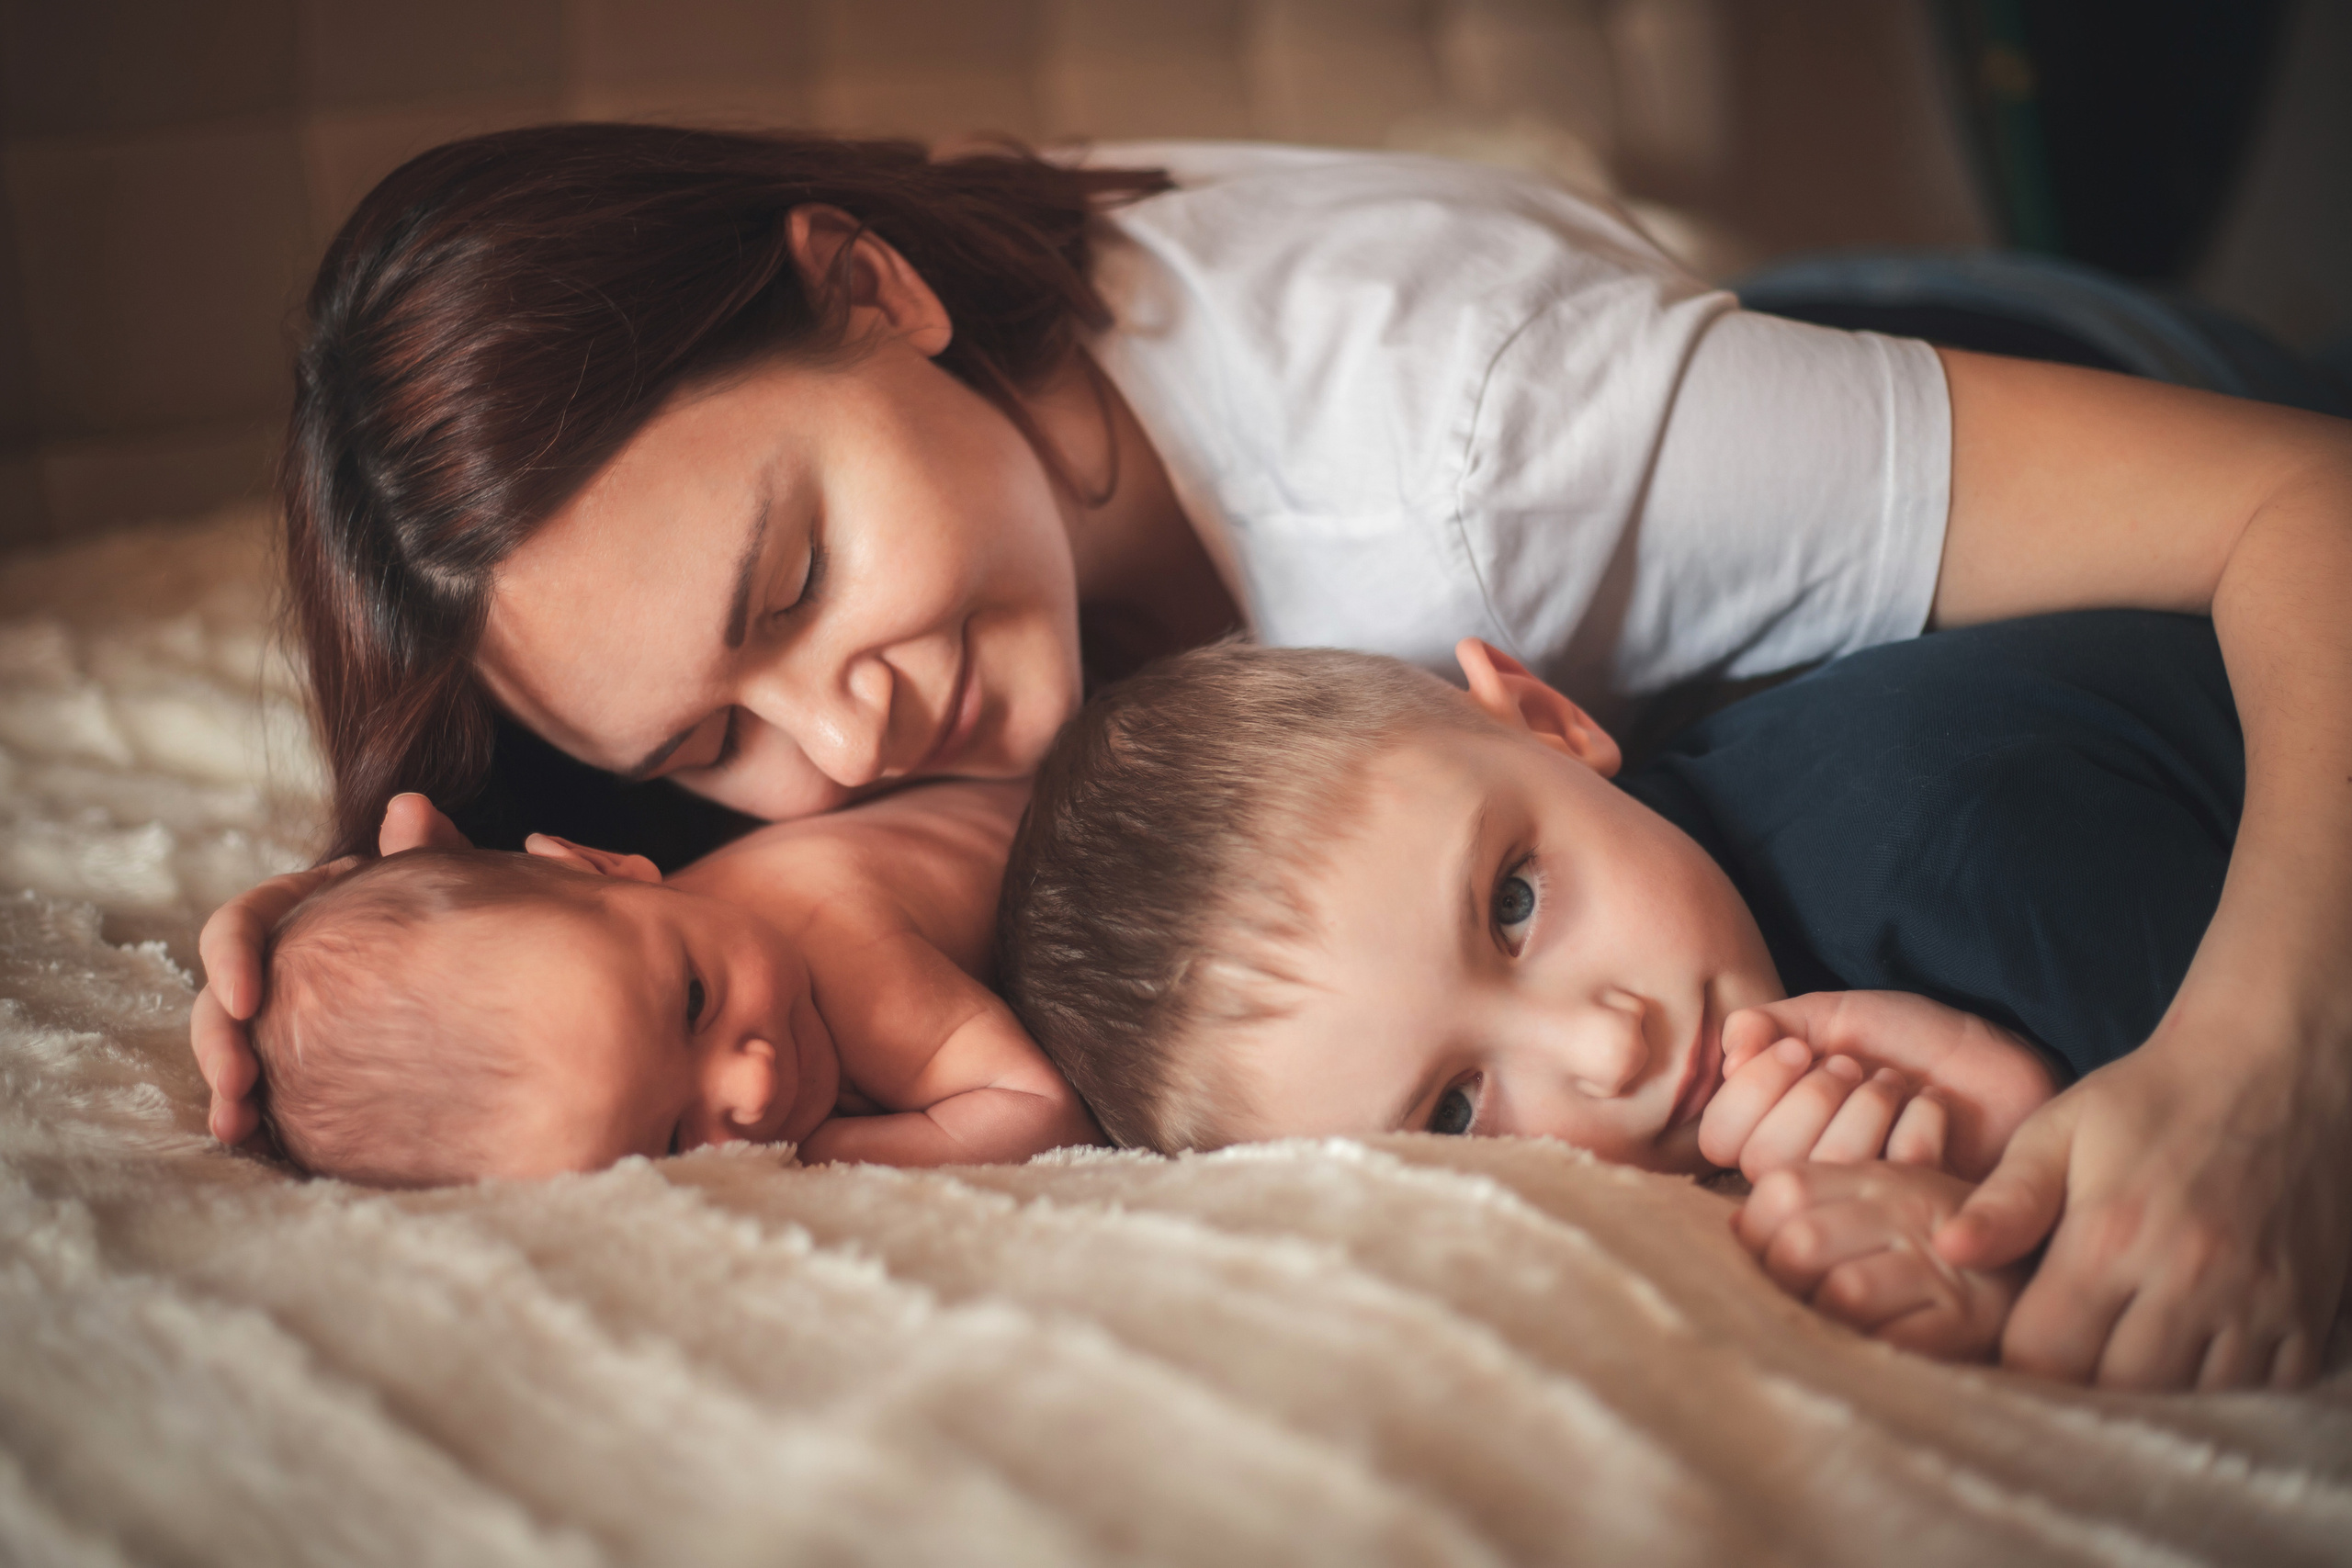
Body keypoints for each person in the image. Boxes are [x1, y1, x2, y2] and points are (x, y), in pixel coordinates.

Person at [187, 125, 2352, 1391]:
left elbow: (2303, 504)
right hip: (1719, 486)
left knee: (1883, 840)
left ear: (869, 289)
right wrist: (384, 943)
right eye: (707, 738)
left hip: (2022, 390)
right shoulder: (790, 652)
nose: (838, 738)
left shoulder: (1480, 448)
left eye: (796, 580)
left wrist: (2263, 1072)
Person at [994, 613, 2274, 1363]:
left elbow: (2264, 1209)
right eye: (1454, 1111)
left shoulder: (1939, 838)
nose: (1609, 1051)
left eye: (1513, 902)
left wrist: (2030, 1200)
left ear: (1546, 719)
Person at [251, 780, 1091, 1185]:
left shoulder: (842, 951)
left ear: (608, 864)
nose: (753, 1084)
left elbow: (1041, 1109)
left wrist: (820, 1156)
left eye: (694, 1001)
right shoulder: (630, 929)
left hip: (1106, 821)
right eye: (678, 1141)